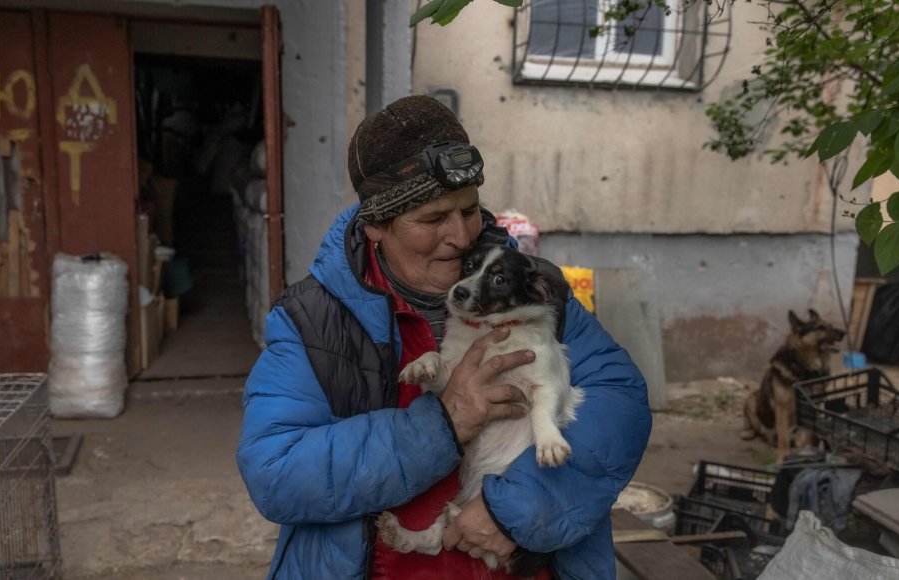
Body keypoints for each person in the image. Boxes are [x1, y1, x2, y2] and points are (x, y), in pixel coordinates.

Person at [237, 95, 652, 579]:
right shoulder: (313, 319)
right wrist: (443, 424)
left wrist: (513, 509)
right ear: (376, 225)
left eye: (469, 209)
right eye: (433, 219)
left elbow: (621, 402)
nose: (461, 236)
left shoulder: (531, 293)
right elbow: (275, 472)